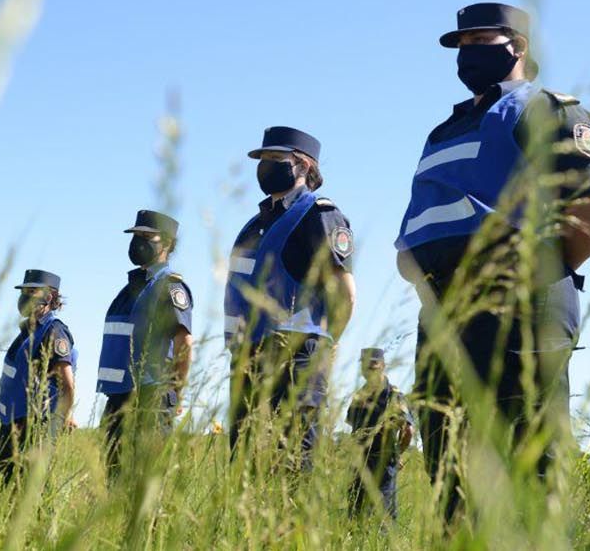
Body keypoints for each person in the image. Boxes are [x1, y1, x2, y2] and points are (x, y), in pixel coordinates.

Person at [396, 3, 590, 524]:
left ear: (517, 45)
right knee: (448, 466)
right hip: (441, 308)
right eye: (462, 45)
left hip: (518, 303)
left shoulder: (547, 109)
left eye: (480, 41)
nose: (468, 53)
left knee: (525, 467)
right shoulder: (442, 131)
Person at [225, 126, 356, 473]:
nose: (265, 166)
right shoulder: (253, 227)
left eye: (274, 159)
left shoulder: (319, 215)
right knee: (244, 463)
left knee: (292, 464)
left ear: (304, 166)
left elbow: (344, 292)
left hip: (298, 356)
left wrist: (323, 348)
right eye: (262, 159)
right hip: (245, 359)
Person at [97, 210, 194, 481]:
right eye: (135, 236)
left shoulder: (169, 287)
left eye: (146, 237)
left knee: (144, 481)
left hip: (151, 396)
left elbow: (184, 341)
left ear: (167, 244)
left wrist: (176, 392)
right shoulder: (130, 289)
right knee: (113, 478)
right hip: (118, 397)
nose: (138, 243)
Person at [0, 269, 78, 486]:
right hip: (12, 427)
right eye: (24, 292)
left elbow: (67, 385)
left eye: (32, 292)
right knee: (9, 496)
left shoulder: (53, 331)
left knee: (30, 494)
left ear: (49, 297)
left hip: (35, 428)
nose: (24, 297)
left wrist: (59, 422)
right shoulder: (26, 333)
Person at [345, 347, 413, 521]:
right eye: (364, 365)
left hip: (383, 463)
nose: (368, 369)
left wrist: (397, 454)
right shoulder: (358, 396)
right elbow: (353, 428)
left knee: (384, 519)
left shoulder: (394, 396)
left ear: (383, 366)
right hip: (359, 462)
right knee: (354, 516)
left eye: (373, 364)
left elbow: (407, 431)